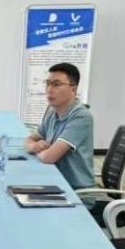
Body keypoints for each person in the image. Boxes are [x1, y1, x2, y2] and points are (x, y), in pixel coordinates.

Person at [23, 63, 95, 195]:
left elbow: (49, 157)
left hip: (76, 192)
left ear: (73, 89)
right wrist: (34, 146)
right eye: (47, 83)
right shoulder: (53, 112)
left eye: (56, 84)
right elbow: (29, 140)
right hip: (54, 182)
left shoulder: (81, 117)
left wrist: (40, 151)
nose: (49, 89)